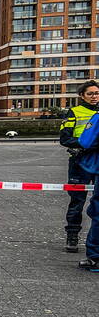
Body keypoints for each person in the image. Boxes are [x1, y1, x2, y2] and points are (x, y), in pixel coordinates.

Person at [61, 81, 99, 255]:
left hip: (97, 160)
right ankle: (72, 236)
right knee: (77, 201)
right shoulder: (74, 112)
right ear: (82, 96)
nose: (94, 97)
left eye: (97, 93)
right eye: (90, 93)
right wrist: (85, 145)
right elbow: (65, 138)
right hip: (80, 161)